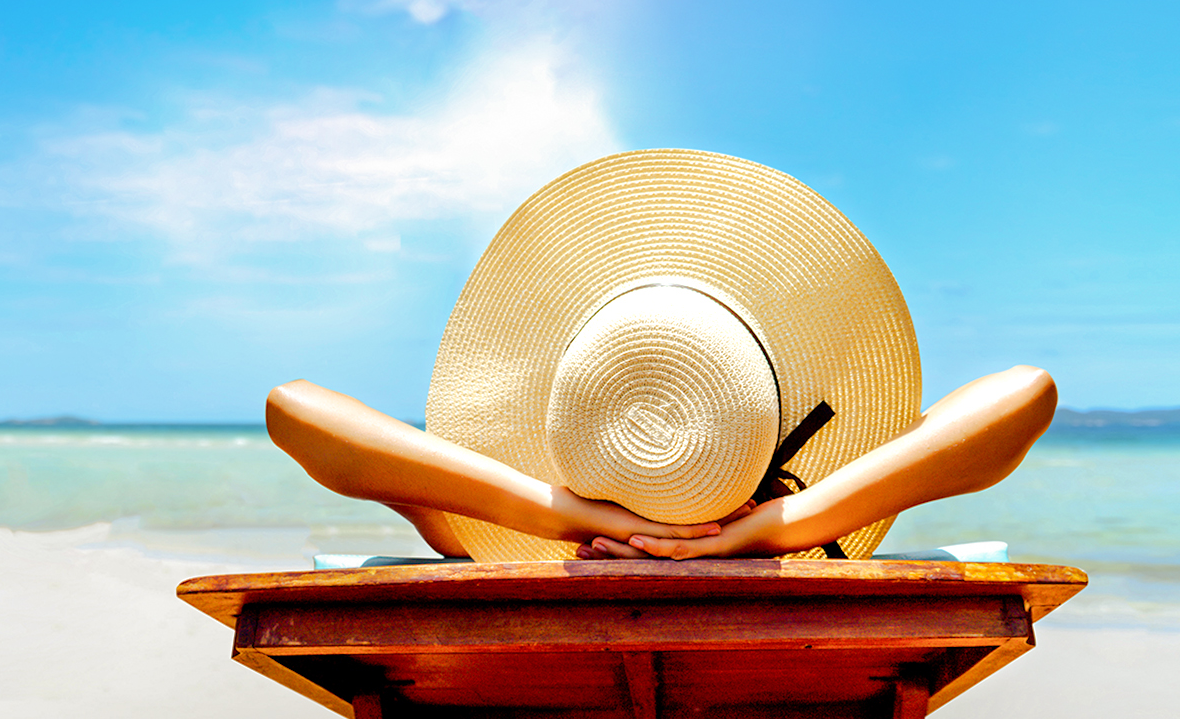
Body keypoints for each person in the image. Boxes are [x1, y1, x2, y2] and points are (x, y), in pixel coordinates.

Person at [262, 149, 1060, 562]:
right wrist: (784, 526)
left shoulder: (493, 518)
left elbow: (294, 407)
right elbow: (1025, 394)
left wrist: (561, 517)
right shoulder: (813, 504)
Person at [265, 365, 1056, 561]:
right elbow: (292, 405)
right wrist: (776, 531)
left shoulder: (497, 524)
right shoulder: (518, 516)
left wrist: (769, 527)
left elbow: (1028, 392)